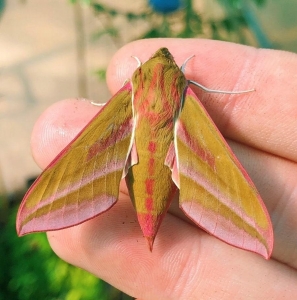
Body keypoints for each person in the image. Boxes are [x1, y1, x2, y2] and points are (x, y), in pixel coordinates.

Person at [31, 39, 297, 299]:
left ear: (137, 76)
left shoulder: (130, 91)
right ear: (180, 78)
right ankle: (250, 228)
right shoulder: (186, 94)